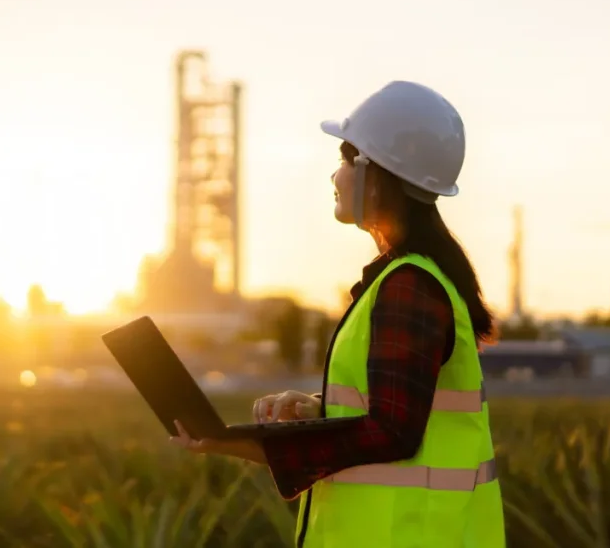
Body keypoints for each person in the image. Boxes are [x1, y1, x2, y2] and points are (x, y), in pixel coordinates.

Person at [170, 81, 506, 547]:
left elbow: (391, 433)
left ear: (376, 173)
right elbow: (402, 414)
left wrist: (238, 442)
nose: (336, 176)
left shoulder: (409, 287)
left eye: (347, 159)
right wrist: (321, 411)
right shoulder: (413, 279)